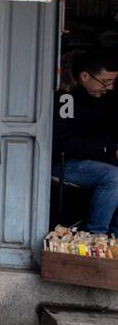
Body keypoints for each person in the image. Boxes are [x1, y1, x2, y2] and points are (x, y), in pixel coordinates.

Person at [54, 51, 118, 234]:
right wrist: (109, 150)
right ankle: (94, 236)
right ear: (84, 76)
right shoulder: (65, 97)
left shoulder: (102, 99)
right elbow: (63, 142)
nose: (111, 87)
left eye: (113, 82)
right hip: (62, 163)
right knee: (114, 178)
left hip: (93, 162)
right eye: (106, 82)